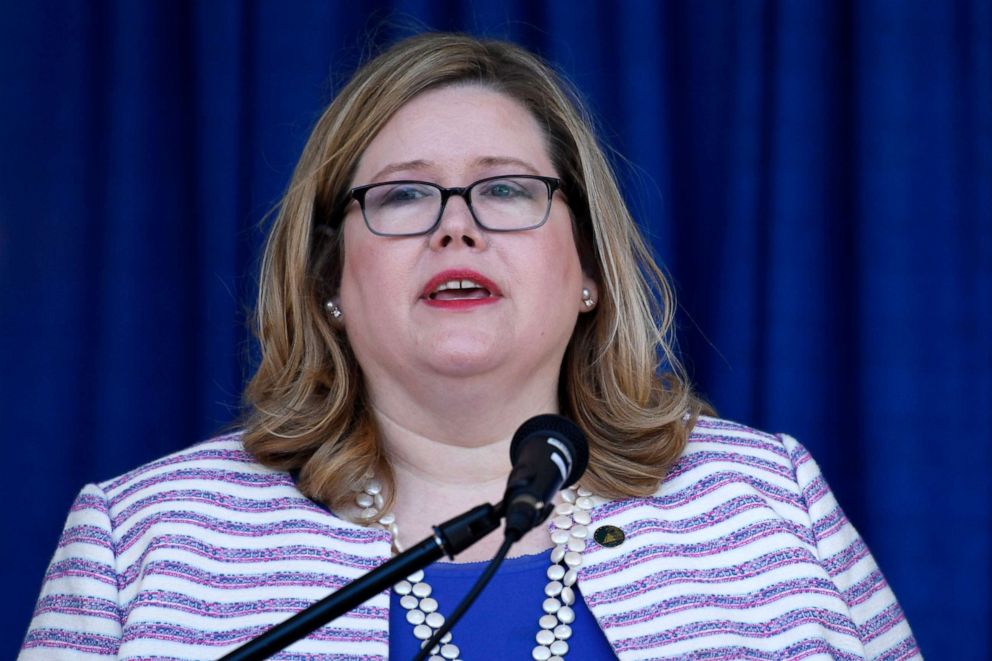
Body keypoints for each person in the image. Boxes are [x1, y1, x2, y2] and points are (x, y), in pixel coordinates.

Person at [21, 33, 920, 660]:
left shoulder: (764, 502)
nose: (457, 229)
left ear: (588, 271)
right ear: (330, 278)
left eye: (507, 190)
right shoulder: (144, 538)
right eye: (405, 196)